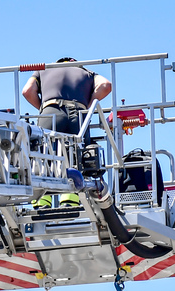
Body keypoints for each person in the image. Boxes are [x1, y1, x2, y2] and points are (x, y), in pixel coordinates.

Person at [22, 57, 112, 208]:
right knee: (76, 154)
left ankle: (42, 200)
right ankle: (70, 199)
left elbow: (27, 91)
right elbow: (106, 85)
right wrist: (88, 106)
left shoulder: (43, 70)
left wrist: (43, 110)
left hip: (50, 111)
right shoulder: (87, 72)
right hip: (78, 113)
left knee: (44, 154)